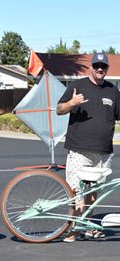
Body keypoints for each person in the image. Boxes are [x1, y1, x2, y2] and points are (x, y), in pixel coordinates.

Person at [57, 53, 120, 242]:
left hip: (103, 152)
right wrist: (72, 103)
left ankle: (89, 227)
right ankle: (75, 228)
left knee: (94, 193)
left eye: (103, 66)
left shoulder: (113, 91)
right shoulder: (77, 86)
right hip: (79, 149)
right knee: (77, 191)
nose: (100, 69)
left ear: (107, 69)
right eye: (96, 66)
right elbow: (59, 109)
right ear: (90, 67)